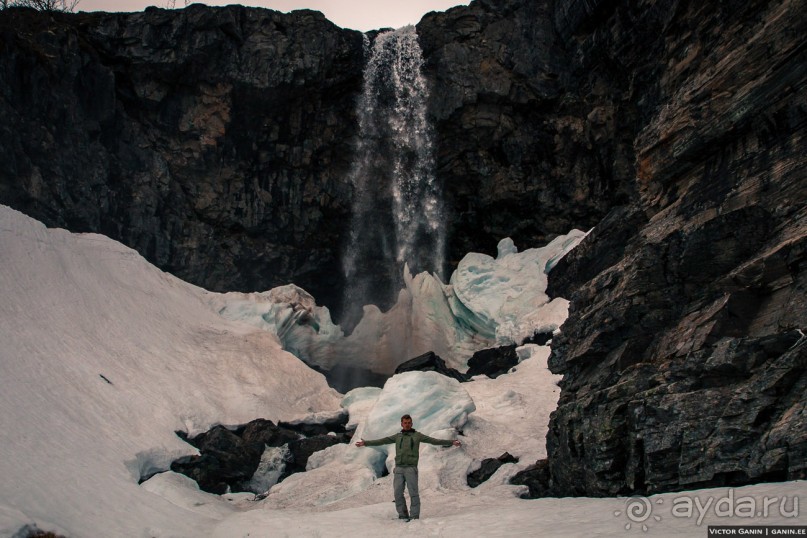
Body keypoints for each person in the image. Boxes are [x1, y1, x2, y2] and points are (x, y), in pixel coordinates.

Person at [355, 414, 461, 521]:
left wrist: (451, 442)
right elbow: (382, 441)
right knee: (397, 493)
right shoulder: (397, 436)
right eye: (405, 423)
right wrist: (365, 443)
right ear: (401, 424)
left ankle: (414, 516)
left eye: (409, 423)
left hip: (411, 468)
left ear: (412, 424)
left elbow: (434, 441)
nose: (407, 425)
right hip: (399, 469)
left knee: (413, 493)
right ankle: (403, 515)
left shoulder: (417, 435)